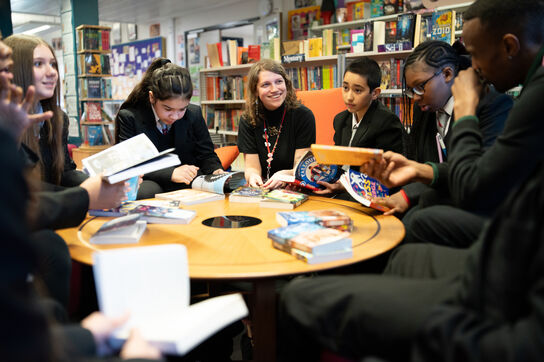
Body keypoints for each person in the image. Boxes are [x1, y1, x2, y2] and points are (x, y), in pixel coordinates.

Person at [278, 0, 544, 360]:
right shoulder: (432, 109)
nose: (473, 70)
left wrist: (464, 111)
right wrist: (418, 174)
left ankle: (376, 321)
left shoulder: (507, 102)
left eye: (476, 55)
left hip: (506, 278)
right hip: (505, 255)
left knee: (299, 300)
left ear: (510, 47)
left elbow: (479, 186)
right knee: (406, 249)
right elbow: (447, 167)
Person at [116, 58, 223, 199]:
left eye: (182, 109)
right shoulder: (129, 117)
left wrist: (217, 171)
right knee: (147, 191)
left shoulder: (194, 114)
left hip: (188, 180)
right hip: (152, 181)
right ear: (152, 97)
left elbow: (206, 154)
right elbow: (130, 164)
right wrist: (171, 173)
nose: (175, 116)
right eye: (168, 109)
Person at [4, 34, 88, 187]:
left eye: (53, 64)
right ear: (15, 70)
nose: (52, 72)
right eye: (38, 64)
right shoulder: (5, 123)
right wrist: (86, 194)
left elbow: (64, 173)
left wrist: (101, 182)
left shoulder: (58, 118)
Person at [315, 57, 403, 196]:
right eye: (345, 88)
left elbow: (388, 175)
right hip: (342, 186)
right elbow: (338, 161)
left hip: (372, 193)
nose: (349, 97)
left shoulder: (387, 122)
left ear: (375, 93)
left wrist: (344, 185)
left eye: (357, 90)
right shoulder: (341, 119)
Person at [237, 59, 316, 189]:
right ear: (255, 90)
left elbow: (301, 168)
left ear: (286, 84)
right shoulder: (247, 119)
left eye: (279, 82)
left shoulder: (303, 116)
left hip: (294, 188)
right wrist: (253, 176)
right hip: (263, 188)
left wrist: (284, 175)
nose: (275, 89)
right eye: (265, 85)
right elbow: (251, 167)